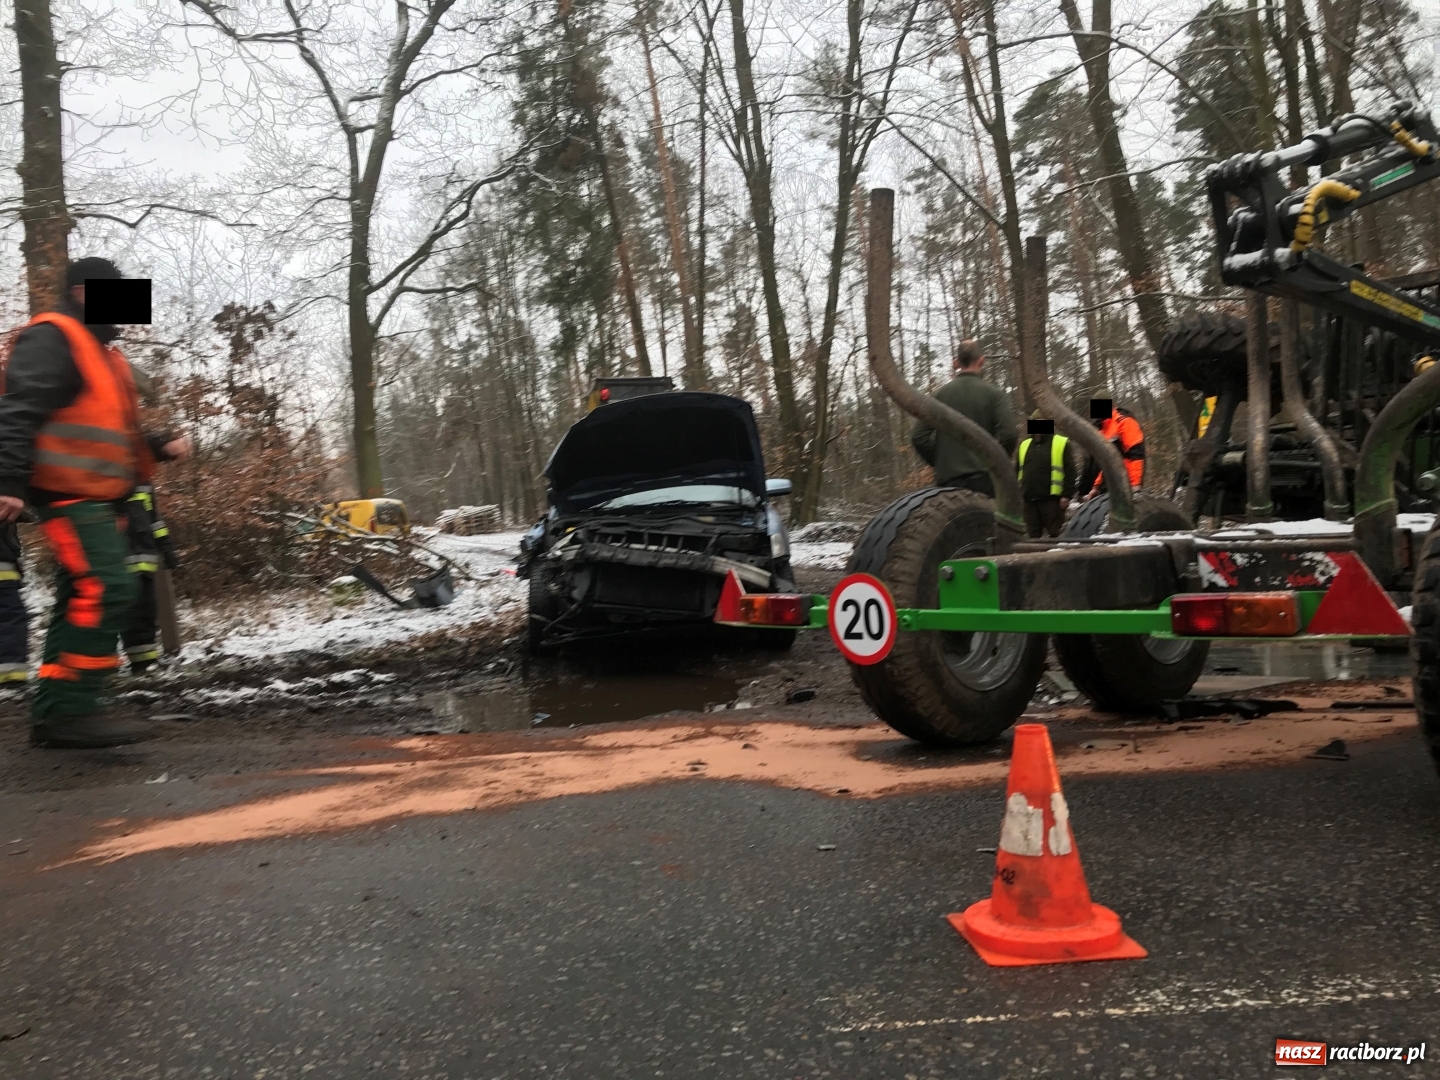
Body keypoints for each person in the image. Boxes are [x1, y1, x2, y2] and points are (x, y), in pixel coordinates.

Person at [0, 257, 189, 748]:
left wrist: (154, 445)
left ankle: (58, 712)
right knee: (108, 588)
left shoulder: (101, 352)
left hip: (96, 496)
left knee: (81, 595)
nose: (128, 314)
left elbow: (103, 434)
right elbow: (18, 411)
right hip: (66, 494)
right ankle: (72, 711)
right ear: (85, 294)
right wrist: (9, 482)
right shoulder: (54, 336)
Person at [911, 340, 1017, 495]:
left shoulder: (938, 396)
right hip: (985, 481)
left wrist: (941, 462)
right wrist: (996, 462)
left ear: (956, 363)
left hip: (948, 484)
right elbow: (1009, 434)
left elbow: (918, 436)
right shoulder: (995, 395)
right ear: (982, 360)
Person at [1017, 417, 1076, 538]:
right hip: (1029, 501)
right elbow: (1016, 471)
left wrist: (1066, 495)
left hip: (1052, 501)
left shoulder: (1060, 442)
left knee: (1056, 536)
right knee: (1032, 539)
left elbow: (1070, 471)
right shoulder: (1024, 445)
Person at [1083, 396, 1145, 498]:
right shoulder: (1103, 429)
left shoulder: (1125, 422)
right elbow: (1108, 463)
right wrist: (1097, 486)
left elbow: (1136, 454)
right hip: (1108, 487)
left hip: (1125, 485)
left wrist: (1135, 485)